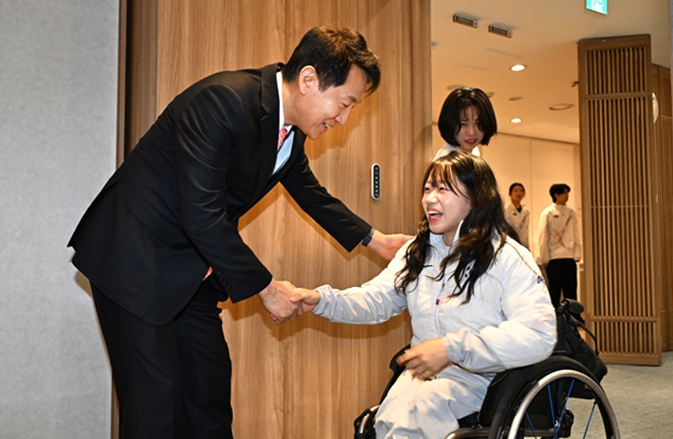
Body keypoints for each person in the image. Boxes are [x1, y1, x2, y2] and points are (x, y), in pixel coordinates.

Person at [67, 25, 411, 439]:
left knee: (208, 400)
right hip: (133, 261)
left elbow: (310, 192)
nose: (343, 119)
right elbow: (202, 214)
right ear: (308, 79)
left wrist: (376, 240)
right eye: (344, 103)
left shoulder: (287, 132)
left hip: (189, 271)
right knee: (155, 410)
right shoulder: (224, 101)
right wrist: (267, 288)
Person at [293, 152, 556, 438]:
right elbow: (375, 299)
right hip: (421, 376)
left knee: (416, 417)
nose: (430, 198)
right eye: (428, 189)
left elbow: (538, 335)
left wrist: (452, 348)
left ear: (475, 197)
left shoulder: (507, 257)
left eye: (443, 189)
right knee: (382, 423)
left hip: (483, 380)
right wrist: (321, 301)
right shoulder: (417, 252)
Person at [538, 183, 582, 308]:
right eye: (565, 193)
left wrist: (577, 254)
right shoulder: (547, 213)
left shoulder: (571, 213)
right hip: (554, 258)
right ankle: (555, 317)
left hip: (569, 257)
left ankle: (572, 317)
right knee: (554, 292)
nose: (567, 195)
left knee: (571, 291)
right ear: (556, 195)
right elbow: (543, 235)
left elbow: (576, 234)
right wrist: (545, 257)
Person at [434, 87, 497, 160]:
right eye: (463, 124)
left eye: (478, 123)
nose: (472, 132)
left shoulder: (474, 151)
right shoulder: (446, 161)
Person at [504, 182, 531, 249]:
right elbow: (508, 228)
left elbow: (525, 231)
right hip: (511, 244)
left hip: (524, 245)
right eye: (515, 191)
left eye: (521, 191)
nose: (518, 193)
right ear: (510, 194)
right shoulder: (506, 210)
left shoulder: (526, 211)